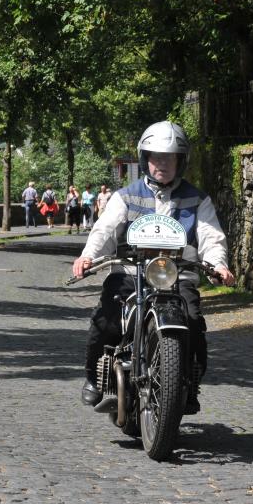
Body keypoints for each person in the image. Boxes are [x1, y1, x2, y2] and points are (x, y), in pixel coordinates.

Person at [72, 121, 235, 414]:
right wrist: (88, 257)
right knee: (106, 319)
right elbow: (104, 231)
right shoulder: (125, 196)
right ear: (145, 158)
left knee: (193, 321)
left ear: (181, 161)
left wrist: (218, 265)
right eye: (156, 157)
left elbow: (211, 237)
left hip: (177, 276)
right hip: (130, 273)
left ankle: (188, 384)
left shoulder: (198, 200)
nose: (162, 164)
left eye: (169, 157)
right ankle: (95, 378)